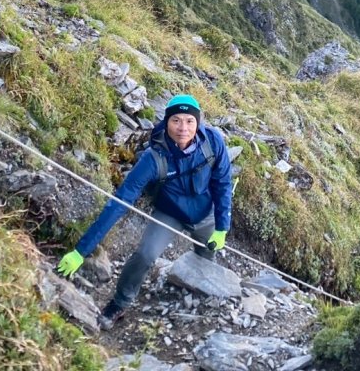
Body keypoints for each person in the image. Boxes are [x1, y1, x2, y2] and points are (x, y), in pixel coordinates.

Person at [57, 93, 232, 329]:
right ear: (167, 122)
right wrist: (81, 250)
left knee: (207, 256)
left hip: (206, 213)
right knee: (146, 254)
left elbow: (222, 183)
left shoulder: (213, 141)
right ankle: (120, 302)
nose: (183, 128)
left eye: (190, 121)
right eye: (176, 120)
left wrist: (222, 227)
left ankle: (192, 286)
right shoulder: (153, 158)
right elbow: (120, 202)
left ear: (198, 123)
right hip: (169, 212)